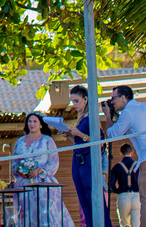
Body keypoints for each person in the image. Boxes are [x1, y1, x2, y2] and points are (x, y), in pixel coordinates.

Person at [106, 87, 146, 227]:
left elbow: (112, 135)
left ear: (123, 98)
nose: (112, 102)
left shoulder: (128, 113)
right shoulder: (144, 107)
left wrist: (108, 116)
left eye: (113, 98)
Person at [59, 85, 113, 227]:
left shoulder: (92, 117)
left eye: (76, 101)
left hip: (88, 160)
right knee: (83, 198)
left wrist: (80, 134)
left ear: (85, 99)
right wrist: (70, 135)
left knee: (93, 196)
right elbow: (80, 142)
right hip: (77, 159)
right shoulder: (81, 118)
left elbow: (100, 142)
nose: (74, 104)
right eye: (72, 101)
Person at [11, 113, 74, 227]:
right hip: (23, 184)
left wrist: (39, 170)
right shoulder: (19, 141)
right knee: (26, 213)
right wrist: (20, 171)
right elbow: (14, 163)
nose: (32, 124)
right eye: (30, 121)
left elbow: (54, 162)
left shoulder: (47, 140)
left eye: (35, 121)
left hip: (42, 183)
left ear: (40, 125)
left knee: (45, 213)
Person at [109, 145, 139, 227]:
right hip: (137, 196)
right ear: (132, 152)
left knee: (124, 224)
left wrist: (118, 190)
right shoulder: (138, 165)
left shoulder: (117, 167)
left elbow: (111, 185)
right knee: (136, 224)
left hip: (123, 196)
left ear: (121, 153)